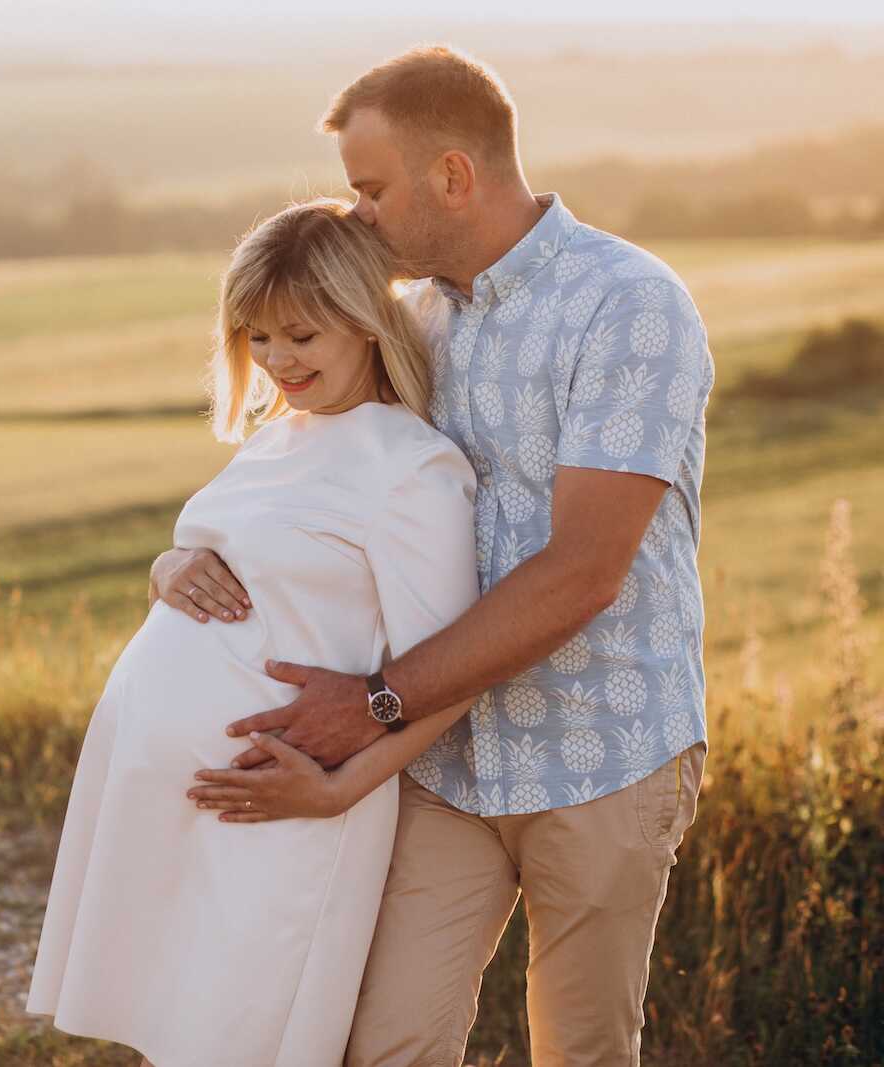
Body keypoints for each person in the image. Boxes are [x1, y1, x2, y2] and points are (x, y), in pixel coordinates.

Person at [176, 46, 714, 1066]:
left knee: (584, 1050)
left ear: (453, 176)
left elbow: (582, 571)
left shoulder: (627, 305)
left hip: (602, 747)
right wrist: (182, 559)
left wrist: (370, 700)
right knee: (387, 1041)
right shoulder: (410, 319)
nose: (357, 216)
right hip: (446, 760)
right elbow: (309, 478)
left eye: (370, 189)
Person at [25, 196, 481, 1067]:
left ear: (364, 324)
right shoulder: (283, 437)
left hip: (290, 806)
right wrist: (168, 567)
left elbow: (449, 677)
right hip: (191, 807)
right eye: (257, 337)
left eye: (302, 336)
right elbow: (242, 566)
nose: (277, 360)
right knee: (182, 1035)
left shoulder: (412, 467)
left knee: (245, 1041)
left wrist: (338, 791)